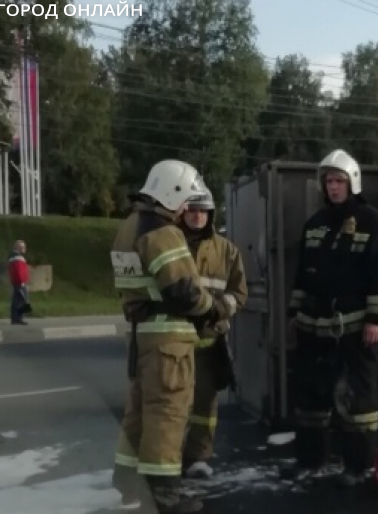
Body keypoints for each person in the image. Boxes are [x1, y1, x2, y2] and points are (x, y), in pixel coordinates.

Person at [281, 149, 378, 487]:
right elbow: (302, 274)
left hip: (355, 329)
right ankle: (309, 460)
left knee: (357, 401)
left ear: (352, 183)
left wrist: (376, 319)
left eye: (338, 181)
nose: (333, 188)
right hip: (313, 329)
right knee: (310, 399)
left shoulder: (374, 222)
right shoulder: (315, 225)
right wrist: (294, 314)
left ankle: (357, 466)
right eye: (328, 181)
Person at [110, 160, 219, 513]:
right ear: (171, 193)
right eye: (185, 200)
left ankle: (129, 483)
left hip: (143, 335)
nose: (187, 208)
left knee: (139, 412)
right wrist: (212, 308)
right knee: (168, 415)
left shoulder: (128, 227)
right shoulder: (162, 231)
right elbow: (184, 291)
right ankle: (164, 498)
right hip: (168, 339)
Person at [177, 185, 248, 479]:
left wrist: (222, 309)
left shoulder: (226, 250)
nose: (197, 217)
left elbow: (239, 292)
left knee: (205, 403)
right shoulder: (172, 245)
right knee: (174, 404)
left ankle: (199, 457)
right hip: (176, 340)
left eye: (202, 211)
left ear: (210, 213)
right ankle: (168, 458)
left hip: (209, 341)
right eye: (191, 210)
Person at [7, 240, 31, 325]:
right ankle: (20, 318)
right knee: (23, 300)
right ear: (18, 247)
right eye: (23, 247)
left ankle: (14, 318)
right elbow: (19, 271)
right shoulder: (18, 257)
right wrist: (22, 282)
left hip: (15, 281)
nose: (25, 249)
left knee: (16, 300)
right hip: (20, 282)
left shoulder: (12, 256)